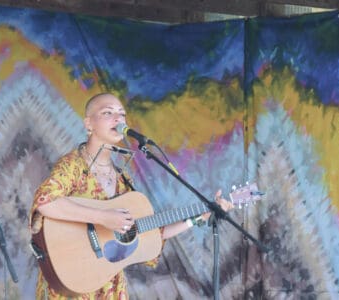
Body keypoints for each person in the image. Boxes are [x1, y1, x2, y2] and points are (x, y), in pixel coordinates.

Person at [28, 93, 234, 299]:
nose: (118, 119)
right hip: (72, 282)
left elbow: (149, 232)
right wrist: (103, 218)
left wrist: (199, 217)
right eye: (108, 113)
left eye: (122, 114)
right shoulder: (73, 165)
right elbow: (46, 203)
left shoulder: (122, 177)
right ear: (88, 124)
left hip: (109, 286)